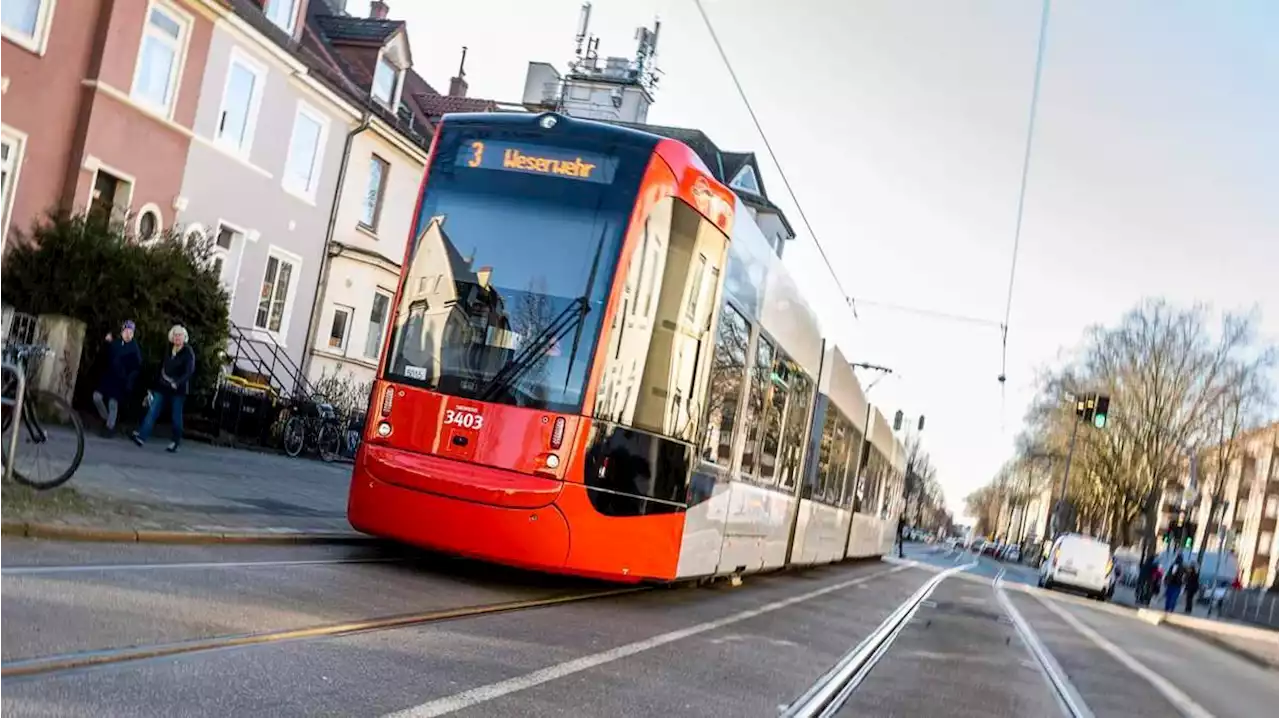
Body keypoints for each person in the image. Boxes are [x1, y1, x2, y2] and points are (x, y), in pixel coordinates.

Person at [131, 325, 195, 453]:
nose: (177, 338)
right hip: (163, 386)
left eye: (180, 335)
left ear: (184, 337)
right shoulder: (169, 348)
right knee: (153, 410)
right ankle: (142, 436)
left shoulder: (188, 352)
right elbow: (162, 366)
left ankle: (175, 442)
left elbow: (189, 371)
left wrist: (178, 382)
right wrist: (154, 384)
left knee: (176, 416)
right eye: (175, 335)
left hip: (178, 389)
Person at [92, 320, 142, 436]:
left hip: (121, 379)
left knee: (113, 403)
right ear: (122, 332)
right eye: (126, 331)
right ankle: (106, 418)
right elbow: (104, 356)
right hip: (108, 376)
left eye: (131, 332)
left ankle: (110, 427)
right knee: (96, 397)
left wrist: (129, 381)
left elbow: (136, 367)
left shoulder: (134, 348)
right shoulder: (115, 344)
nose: (128, 334)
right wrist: (107, 343)